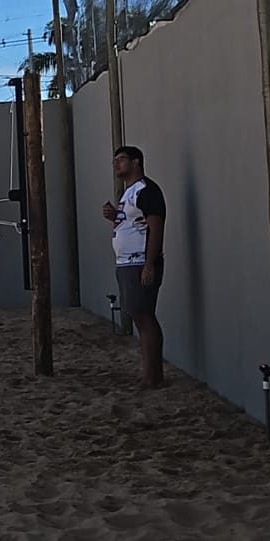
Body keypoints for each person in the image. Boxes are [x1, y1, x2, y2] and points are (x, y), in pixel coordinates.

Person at [102, 146, 167, 388]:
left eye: (121, 160)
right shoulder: (128, 193)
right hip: (127, 262)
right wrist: (113, 217)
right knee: (139, 317)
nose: (116, 164)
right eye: (115, 160)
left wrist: (149, 264)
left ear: (136, 162)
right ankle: (150, 374)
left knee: (144, 317)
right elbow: (131, 224)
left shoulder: (147, 190)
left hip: (139, 262)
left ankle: (153, 377)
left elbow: (155, 227)